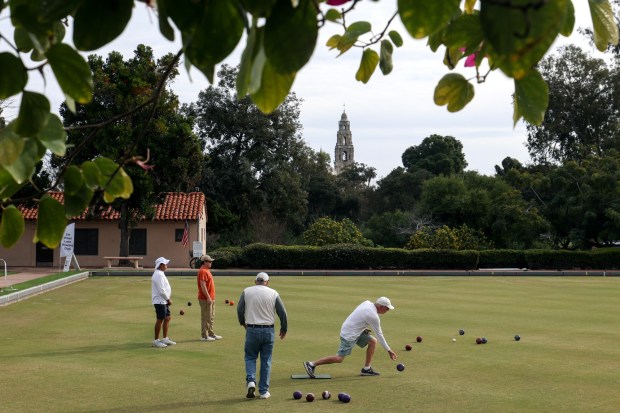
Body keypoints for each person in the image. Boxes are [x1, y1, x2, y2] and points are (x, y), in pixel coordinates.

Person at [303, 297, 397, 377]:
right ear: (381, 307)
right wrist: (389, 350)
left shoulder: (367, 303)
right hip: (349, 334)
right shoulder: (373, 316)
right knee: (339, 358)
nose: (387, 311)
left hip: (353, 329)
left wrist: (362, 329)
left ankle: (366, 369)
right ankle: (311, 364)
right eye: (387, 309)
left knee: (372, 341)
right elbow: (379, 334)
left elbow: (358, 316)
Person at [237, 272, 288, 400]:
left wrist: (243, 323)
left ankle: (251, 381)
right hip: (268, 330)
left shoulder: (247, 291)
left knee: (250, 357)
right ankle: (264, 391)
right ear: (267, 282)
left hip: (252, 329)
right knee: (266, 361)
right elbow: (283, 313)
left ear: (255, 281)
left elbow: (239, 309)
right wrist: (284, 328)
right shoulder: (273, 293)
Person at [151, 257, 176, 348]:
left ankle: (165, 338)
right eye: (165, 264)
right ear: (160, 265)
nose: (166, 265)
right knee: (160, 319)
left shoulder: (160, 273)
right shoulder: (158, 275)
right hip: (160, 301)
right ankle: (156, 340)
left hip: (163, 301)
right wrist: (168, 299)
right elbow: (161, 290)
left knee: (167, 318)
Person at [197, 254, 222, 341]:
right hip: (205, 298)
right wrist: (208, 297)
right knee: (206, 317)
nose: (211, 263)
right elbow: (202, 285)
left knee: (210, 317)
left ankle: (211, 334)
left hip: (210, 298)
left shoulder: (206, 270)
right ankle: (204, 336)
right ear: (204, 262)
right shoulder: (203, 271)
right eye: (209, 261)